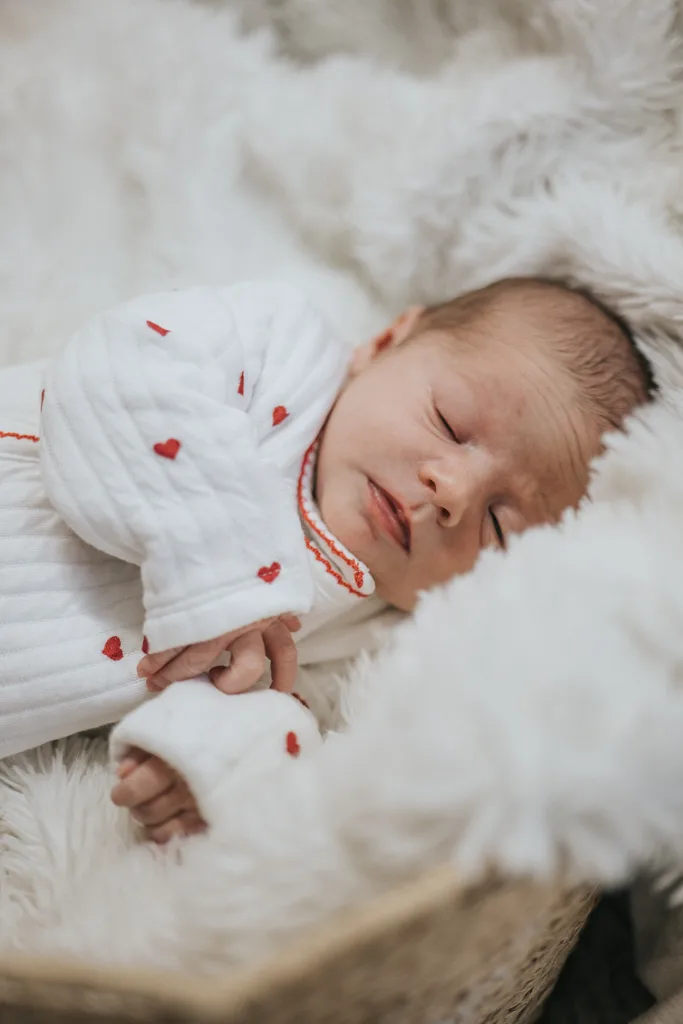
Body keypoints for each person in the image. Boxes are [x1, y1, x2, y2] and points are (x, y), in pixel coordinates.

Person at [0, 276, 654, 840]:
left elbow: (296, 722)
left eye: (499, 525)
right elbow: (126, 363)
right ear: (385, 343)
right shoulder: (283, 354)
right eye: (449, 423)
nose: (452, 491)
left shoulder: (376, 633)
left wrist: (212, 759)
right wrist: (223, 571)